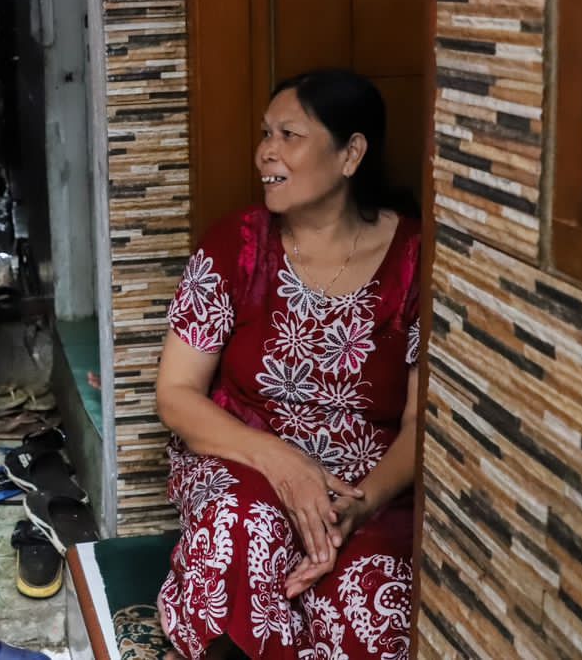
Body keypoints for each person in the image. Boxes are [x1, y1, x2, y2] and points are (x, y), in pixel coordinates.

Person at [154, 70, 421, 660]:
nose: (265, 152)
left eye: (289, 135)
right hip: (243, 461)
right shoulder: (237, 245)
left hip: (362, 487)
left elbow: (419, 423)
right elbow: (175, 394)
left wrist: (360, 506)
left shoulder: (415, 261)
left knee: (369, 597)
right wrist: (283, 462)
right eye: (265, 133)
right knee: (241, 526)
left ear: (351, 154)